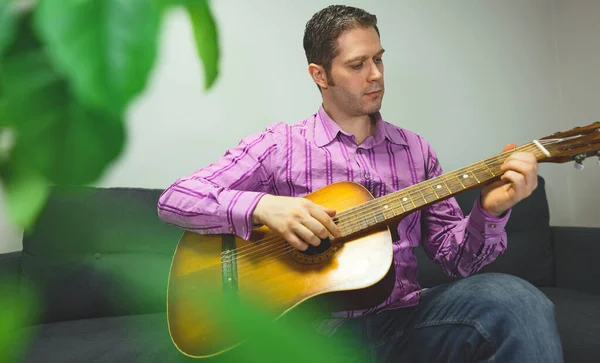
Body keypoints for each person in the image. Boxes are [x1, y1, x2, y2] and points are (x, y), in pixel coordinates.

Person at [158, 5, 563, 363]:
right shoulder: (279, 144)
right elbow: (176, 199)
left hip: (404, 324)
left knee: (516, 300)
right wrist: (266, 207)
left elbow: (458, 263)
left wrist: (489, 210)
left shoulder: (416, 151)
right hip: (313, 338)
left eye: (379, 60)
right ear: (319, 74)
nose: (375, 75)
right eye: (357, 65)